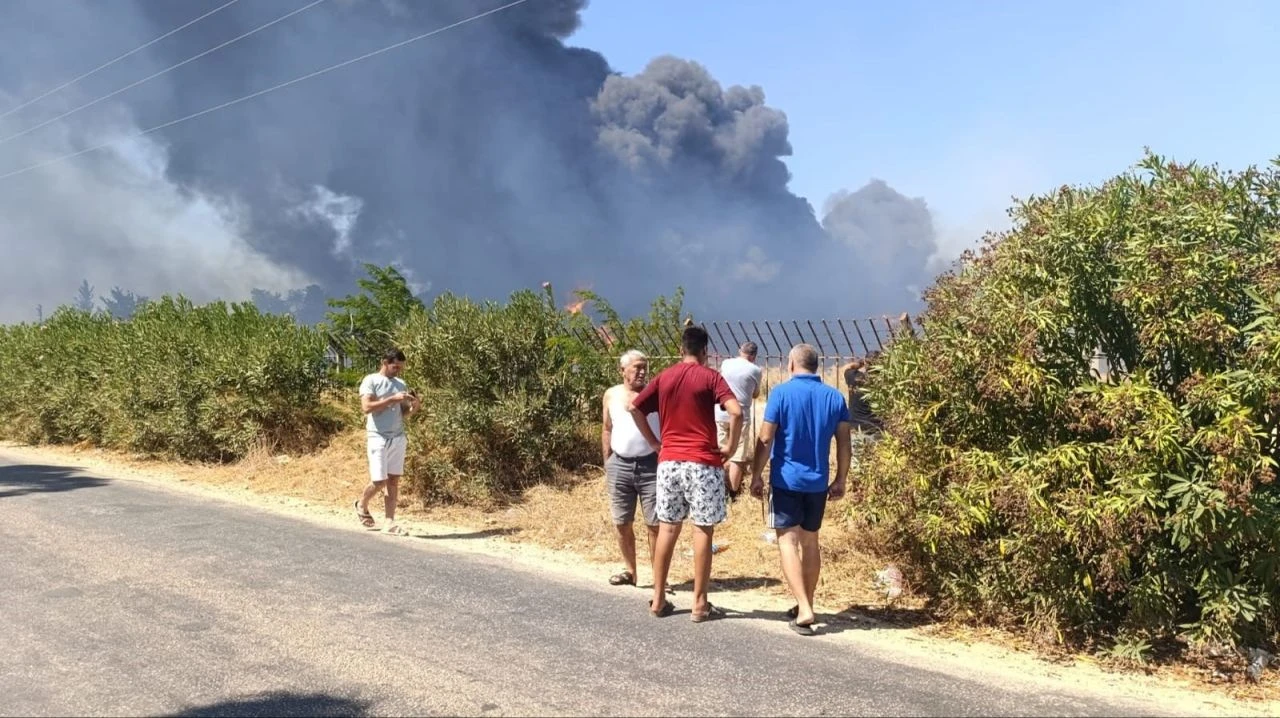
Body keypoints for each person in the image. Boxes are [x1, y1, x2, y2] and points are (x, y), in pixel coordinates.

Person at [629, 325, 743, 621]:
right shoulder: (711, 377)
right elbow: (736, 411)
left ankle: (657, 599)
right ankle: (700, 604)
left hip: (669, 462)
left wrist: (655, 442)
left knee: (667, 527)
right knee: (702, 528)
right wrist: (729, 446)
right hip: (703, 462)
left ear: (681, 349)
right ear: (705, 351)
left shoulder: (664, 377)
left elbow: (634, 407)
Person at [751, 343, 850, 636]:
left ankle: (803, 607)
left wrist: (756, 474)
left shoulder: (781, 393)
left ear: (791, 364)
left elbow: (766, 438)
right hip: (818, 482)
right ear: (816, 366)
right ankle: (808, 602)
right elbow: (844, 443)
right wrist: (841, 479)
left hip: (786, 479)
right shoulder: (835, 397)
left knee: (787, 541)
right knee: (810, 542)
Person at [601, 349, 661, 588]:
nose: (642, 371)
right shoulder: (611, 395)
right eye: (636, 367)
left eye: (644, 366)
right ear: (622, 370)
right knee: (621, 521)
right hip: (620, 465)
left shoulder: (654, 393)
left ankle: (659, 577)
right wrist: (607, 461)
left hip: (650, 465)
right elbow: (606, 428)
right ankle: (630, 571)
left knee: (655, 524)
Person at [354, 348, 420, 535]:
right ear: (384, 362)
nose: (398, 370)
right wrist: (392, 399)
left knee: (393, 480)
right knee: (379, 481)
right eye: (395, 366)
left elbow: (403, 413)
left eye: (400, 367)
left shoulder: (401, 383)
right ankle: (362, 504)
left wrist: (414, 407)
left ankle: (389, 522)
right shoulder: (371, 380)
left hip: (398, 437)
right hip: (378, 436)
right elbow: (366, 407)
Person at [715, 341, 762, 499]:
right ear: (754, 356)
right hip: (741, 416)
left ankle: (718, 488)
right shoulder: (755, 370)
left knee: (720, 451)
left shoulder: (726, 363)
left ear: (740, 351)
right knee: (737, 454)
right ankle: (733, 493)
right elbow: (755, 394)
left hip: (721, 412)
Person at [841, 356, 883, 478]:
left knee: (857, 462)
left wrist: (860, 363)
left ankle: (857, 487)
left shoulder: (853, 377)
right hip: (875, 427)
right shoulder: (881, 383)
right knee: (876, 462)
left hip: (856, 427)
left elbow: (847, 368)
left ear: (866, 364)